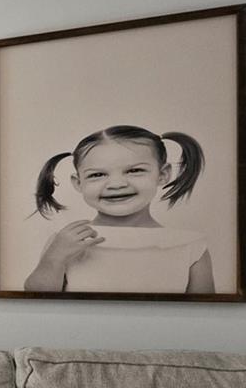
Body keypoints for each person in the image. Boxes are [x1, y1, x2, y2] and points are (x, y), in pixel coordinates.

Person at [24, 125, 212, 294]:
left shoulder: (190, 245)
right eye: (97, 174)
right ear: (78, 183)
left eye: (134, 170)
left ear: (162, 175)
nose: (116, 184)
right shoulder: (66, 240)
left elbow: (206, 316)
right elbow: (36, 300)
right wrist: (54, 259)